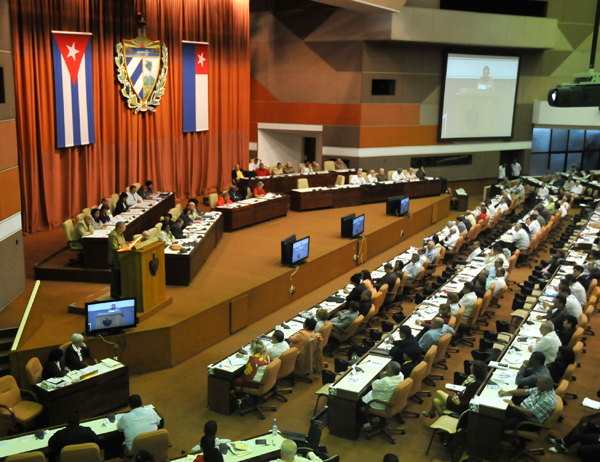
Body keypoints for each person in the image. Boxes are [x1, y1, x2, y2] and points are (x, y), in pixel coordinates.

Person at [423, 360, 487, 418]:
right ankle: (441, 418)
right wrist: (458, 395)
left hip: (460, 406)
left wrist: (459, 402)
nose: (470, 367)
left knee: (438, 392)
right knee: (436, 401)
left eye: (472, 367)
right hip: (460, 399)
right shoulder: (478, 379)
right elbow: (466, 393)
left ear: (476, 370)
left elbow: (469, 400)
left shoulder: (476, 384)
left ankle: (431, 412)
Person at [361, 361, 404, 429]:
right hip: (390, 399)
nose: (386, 370)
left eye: (387, 369)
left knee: (358, 402)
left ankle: (365, 422)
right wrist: (384, 373)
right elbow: (383, 376)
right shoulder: (400, 375)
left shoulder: (386, 381)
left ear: (391, 372)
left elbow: (372, 384)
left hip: (379, 403)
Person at [108, 221, 127, 299]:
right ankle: (114, 293)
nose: (124, 230)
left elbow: (123, 243)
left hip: (121, 258)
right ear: (119, 228)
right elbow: (114, 248)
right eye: (123, 228)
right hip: (115, 259)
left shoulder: (121, 234)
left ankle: (119, 291)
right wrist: (124, 246)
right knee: (115, 277)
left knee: (120, 276)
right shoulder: (113, 235)